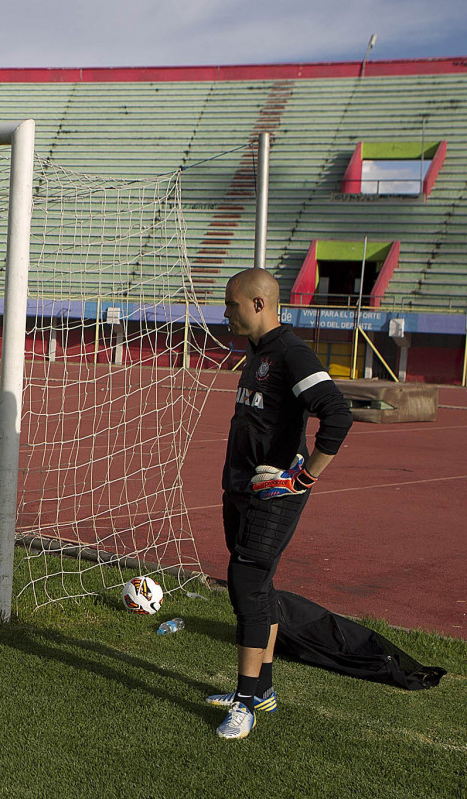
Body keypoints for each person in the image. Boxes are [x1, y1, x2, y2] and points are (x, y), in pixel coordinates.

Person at [206, 268, 352, 740]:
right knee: (259, 588)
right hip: (241, 490)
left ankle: (244, 703)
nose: (225, 312)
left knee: (247, 586)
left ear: (258, 305)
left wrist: (303, 478)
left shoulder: (290, 352)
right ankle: (261, 690)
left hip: (273, 494)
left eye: (231, 303)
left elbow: (337, 413)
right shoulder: (257, 353)